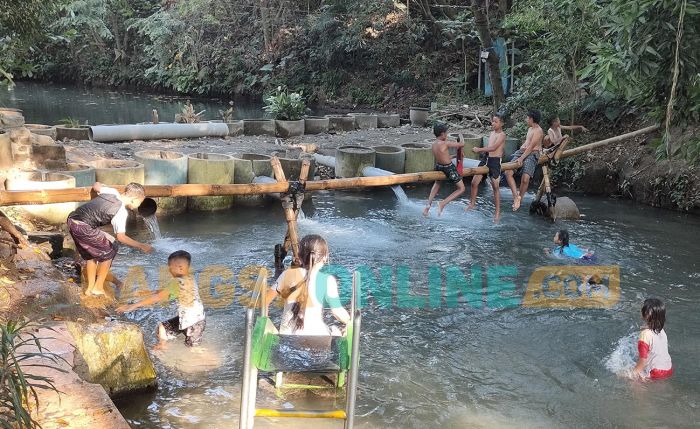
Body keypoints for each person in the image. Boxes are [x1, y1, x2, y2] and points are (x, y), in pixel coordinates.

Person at [67, 182, 153, 296]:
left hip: (72, 220)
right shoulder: (121, 212)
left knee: (91, 254)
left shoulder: (112, 192)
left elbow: (96, 185)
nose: (139, 206)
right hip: (84, 227)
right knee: (111, 248)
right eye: (140, 202)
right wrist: (142, 245)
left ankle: (90, 288)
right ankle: (98, 288)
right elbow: (121, 237)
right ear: (134, 199)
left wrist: (101, 184)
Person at [116, 250, 206, 348]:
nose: (169, 269)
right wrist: (149, 292)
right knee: (162, 327)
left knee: (194, 349)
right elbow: (167, 292)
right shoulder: (188, 278)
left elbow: (159, 297)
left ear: (180, 268)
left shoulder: (178, 283)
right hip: (188, 318)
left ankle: (210, 360)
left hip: (194, 322)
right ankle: (162, 345)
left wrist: (133, 306)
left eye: (171, 266)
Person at [266, 235, 350, 336]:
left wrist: (268, 325)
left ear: (299, 257)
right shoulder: (328, 280)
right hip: (316, 338)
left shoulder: (286, 274)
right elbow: (337, 312)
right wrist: (351, 322)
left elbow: (264, 302)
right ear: (325, 257)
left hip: (287, 337)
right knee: (336, 329)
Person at [467, 113, 506, 222]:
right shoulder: (492, 133)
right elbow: (490, 148)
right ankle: (472, 204)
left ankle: (497, 212)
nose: (493, 123)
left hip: (495, 161)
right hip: (486, 159)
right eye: (492, 121)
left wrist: (479, 149)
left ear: (501, 123)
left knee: (495, 187)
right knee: (474, 182)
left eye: (496, 121)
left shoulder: (502, 135)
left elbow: (493, 148)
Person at [504, 110, 544, 211]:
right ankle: (515, 196)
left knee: (525, 178)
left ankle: (520, 200)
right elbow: (526, 144)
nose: (526, 120)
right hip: (522, 151)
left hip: (532, 153)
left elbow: (531, 147)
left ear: (531, 119)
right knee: (508, 172)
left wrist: (522, 158)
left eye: (527, 118)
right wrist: (520, 155)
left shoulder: (538, 131)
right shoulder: (530, 129)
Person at [423, 123, 466, 217]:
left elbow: (443, 157)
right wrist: (461, 136)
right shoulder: (445, 143)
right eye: (446, 133)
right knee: (462, 188)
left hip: (439, 166)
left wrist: (455, 156)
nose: (447, 135)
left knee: (437, 183)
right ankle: (443, 203)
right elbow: (462, 144)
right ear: (442, 134)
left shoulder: (433, 144)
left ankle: (427, 206)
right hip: (448, 168)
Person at [629, 298, 673, 380]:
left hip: (655, 372)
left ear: (645, 314)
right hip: (668, 368)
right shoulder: (661, 331)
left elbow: (643, 361)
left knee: (625, 374)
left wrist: (632, 374)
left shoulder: (644, 335)